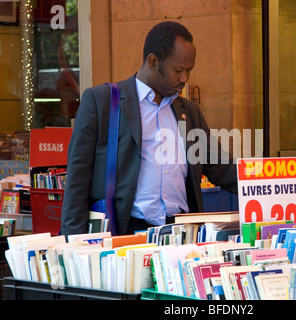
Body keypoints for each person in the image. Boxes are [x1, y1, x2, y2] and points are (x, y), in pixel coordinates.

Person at [60, 21, 238, 236]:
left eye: (189, 71)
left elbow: (222, 168)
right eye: (178, 70)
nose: (184, 79)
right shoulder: (102, 102)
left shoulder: (189, 112)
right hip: (126, 231)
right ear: (153, 61)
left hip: (181, 232)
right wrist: (73, 241)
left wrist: (271, 183)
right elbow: (78, 178)